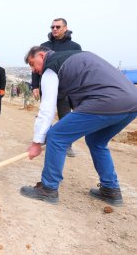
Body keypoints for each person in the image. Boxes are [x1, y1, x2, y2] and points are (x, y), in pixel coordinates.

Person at [20, 46, 137, 206]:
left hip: (106, 101)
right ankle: (111, 190)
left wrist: (36, 143)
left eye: (34, 64)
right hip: (132, 102)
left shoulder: (51, 67)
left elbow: (47, 108)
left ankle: (48, 189)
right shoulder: (77, 56)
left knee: (57, 136)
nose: (35, 70)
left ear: (42, 55)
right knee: (96, 141)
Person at [32, 18, 82, 156]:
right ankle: (46, 139)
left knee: (65, 117)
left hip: (66, 89)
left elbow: (78, 68)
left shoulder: (75, 47)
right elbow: (35, 67)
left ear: (65, 28)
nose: (54, 29)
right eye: (52, 26)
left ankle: (66, 145)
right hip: (47, 87)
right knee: (46, 112)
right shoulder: (43, 46)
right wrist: (35, 85)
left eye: (58, 26)